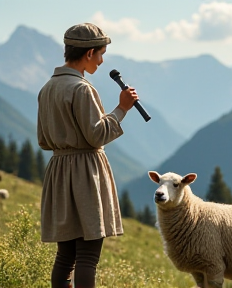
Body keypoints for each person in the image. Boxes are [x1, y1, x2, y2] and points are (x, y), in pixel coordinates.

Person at [37, 23, 139, 288]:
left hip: (59, 172)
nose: (102, 61)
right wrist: (121, 109)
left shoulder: (47, 88)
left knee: (66, 254)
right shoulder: (83, 89)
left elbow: (43, 139)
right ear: (90, 52)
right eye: (102, 54)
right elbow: (97, 135)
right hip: (85, 173)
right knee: (87, 255)